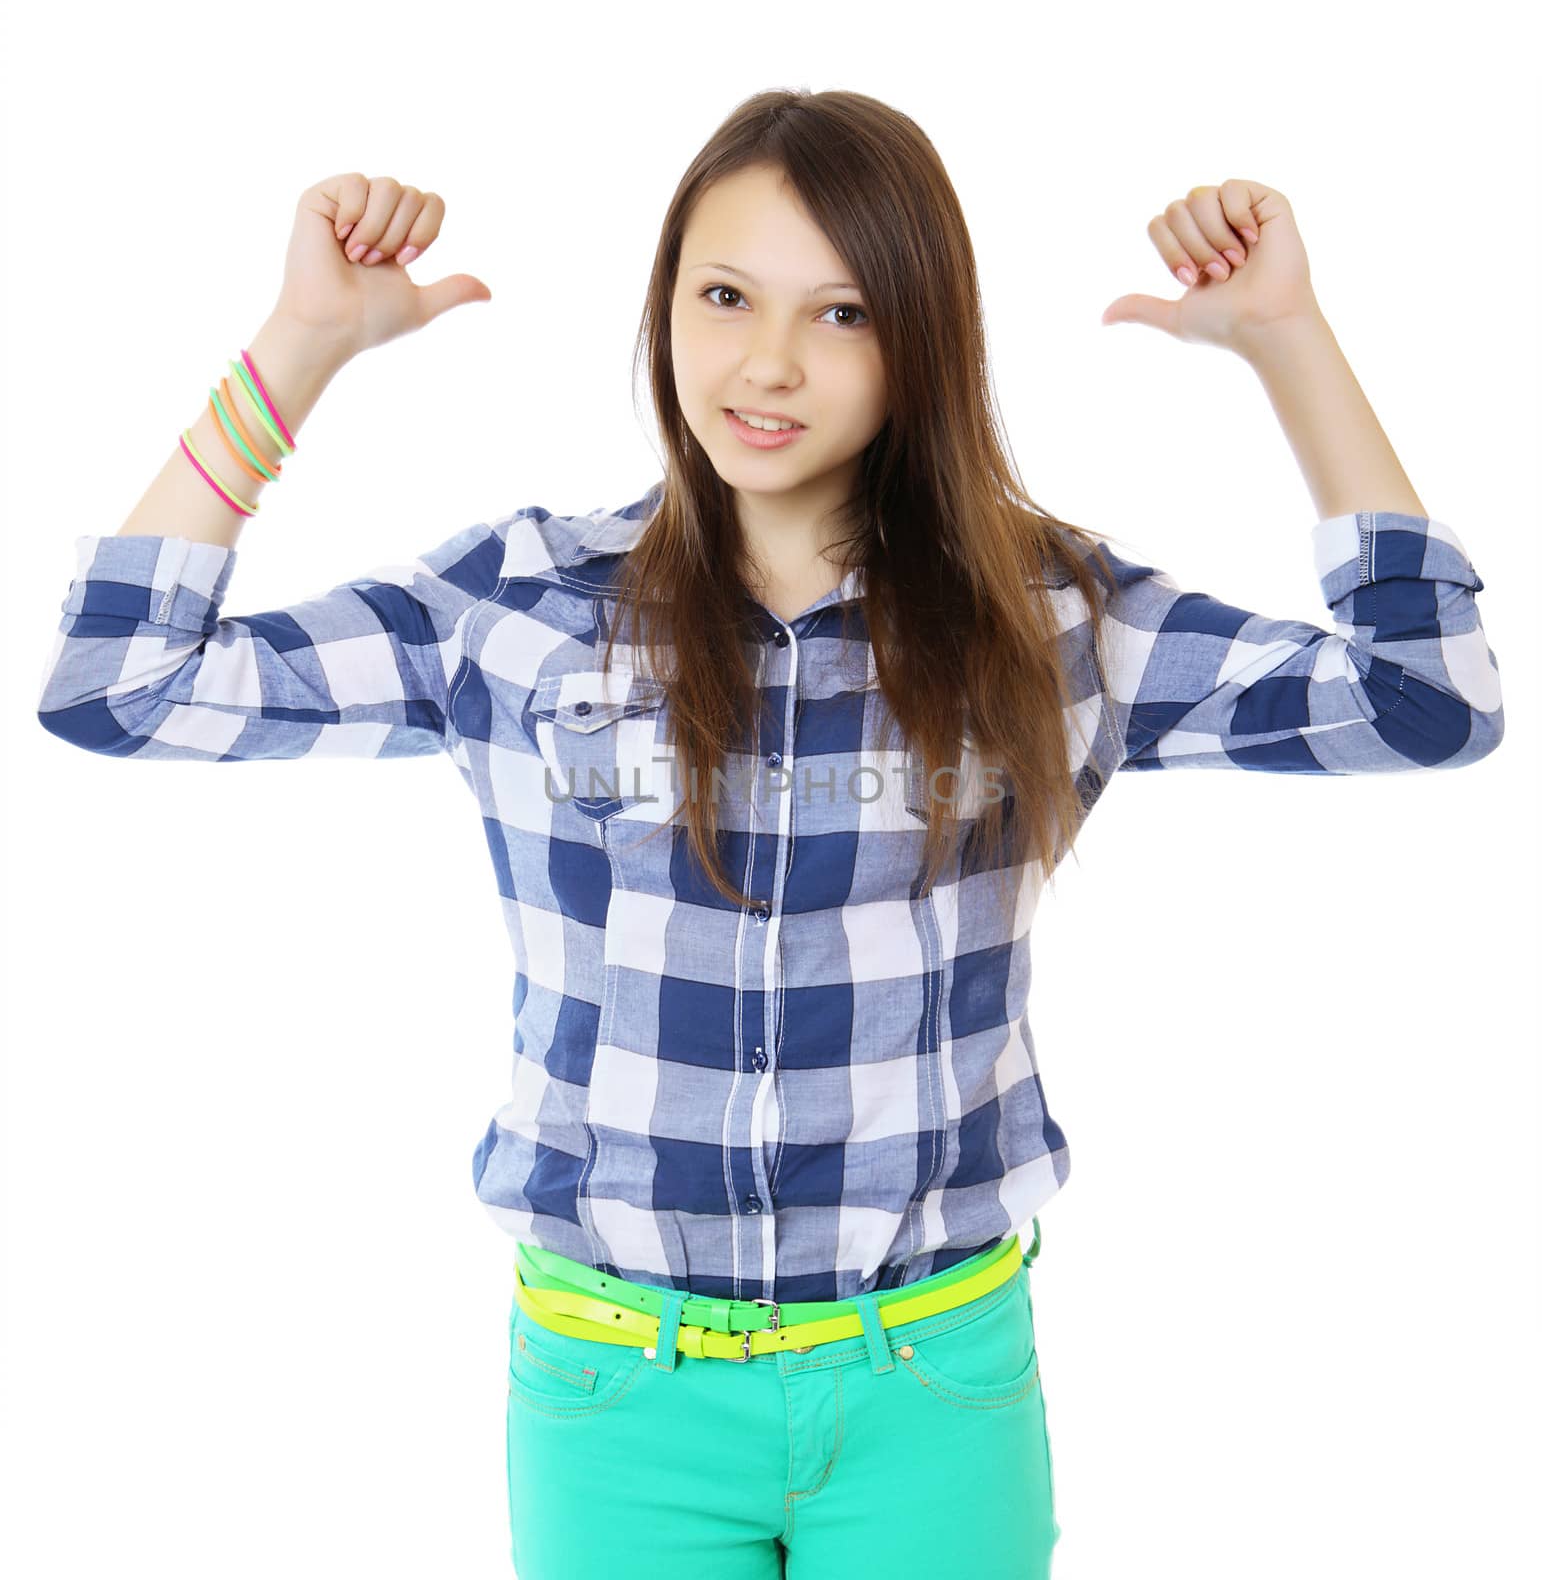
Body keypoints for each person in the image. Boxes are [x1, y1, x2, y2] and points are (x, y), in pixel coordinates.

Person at [35, 89, 1503, 1580]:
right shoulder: (518, 604)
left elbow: (1427, 702)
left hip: (930, 1380)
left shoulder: (1050, 617)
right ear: (664, 305)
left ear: (920, 341)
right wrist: (304, 347)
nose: (769, 363)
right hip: (617, 1390)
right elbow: (116, 690)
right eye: (723, 296)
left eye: (845, 312)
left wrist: (1286, 346)